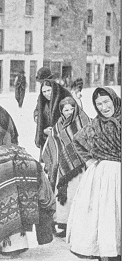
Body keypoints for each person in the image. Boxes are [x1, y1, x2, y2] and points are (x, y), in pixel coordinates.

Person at [67, 87, 121, 261]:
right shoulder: (95, 124)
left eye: (107, 102)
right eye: (99, 104)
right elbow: (77, 140)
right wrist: (89, 161)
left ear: (114, 100)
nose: (104, 107)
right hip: (103, 176)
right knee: (102, 219)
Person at [42, 97, 90, 237]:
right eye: (66, 110)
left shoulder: (84, 121)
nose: (69, 112)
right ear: (61, 111)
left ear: (76, 108)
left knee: (77, 194)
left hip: (79, 167)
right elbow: (55, 143)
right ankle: (64, 224)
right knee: (65, 196)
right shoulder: (58, 125)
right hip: (63, 168)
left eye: (71, 109)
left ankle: (77, 225)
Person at [34, 80, 72, 158]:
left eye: (49, 90)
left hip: (62, 139)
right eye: (44, 91)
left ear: (53, 89)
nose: (47, 94)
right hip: (46, 138)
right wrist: (37, 118)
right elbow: (37, 110)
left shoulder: (63, 97)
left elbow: (70, 116)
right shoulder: (42, 100)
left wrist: (55, 130)